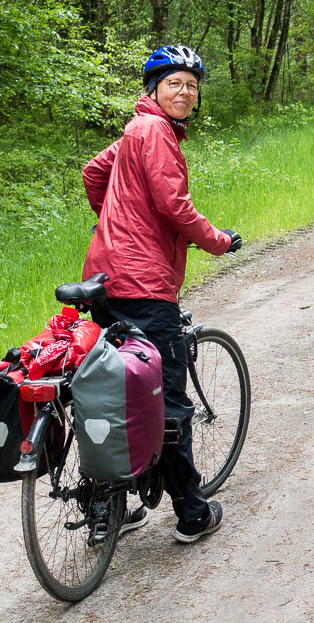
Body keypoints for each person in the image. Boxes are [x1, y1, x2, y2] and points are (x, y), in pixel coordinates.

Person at [81, 45, 242, 543]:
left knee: (111, 391)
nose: (185, 91)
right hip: (146, 285)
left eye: (192, 85)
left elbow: (93, 173)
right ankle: (192, 514)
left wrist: (117, 223)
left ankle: (108, 507)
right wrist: (217, 241)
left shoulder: (135, 130)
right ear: (153, 89)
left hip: (106, 279)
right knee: (167, 400)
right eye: (174, 82)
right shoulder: (156, 133)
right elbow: (175, 205)